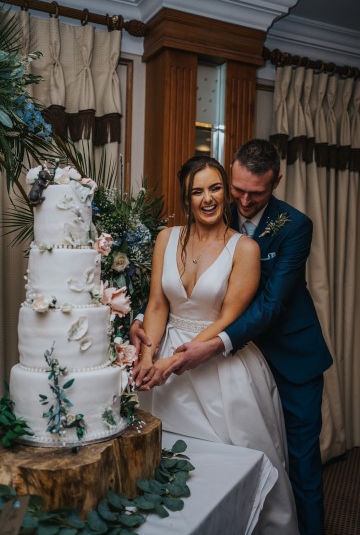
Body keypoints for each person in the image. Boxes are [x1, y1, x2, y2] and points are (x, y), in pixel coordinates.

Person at [132, 140, 333, 535]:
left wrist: (211, 345)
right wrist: (145, 330)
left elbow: (270, 306)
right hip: (220, 351)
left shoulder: (293, 227)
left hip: (287, 356)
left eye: (254, 193)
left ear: (276, 182)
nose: (241, 200)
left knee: (299, 464)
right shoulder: (204, 218)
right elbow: (169, 298)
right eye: (235, 188)